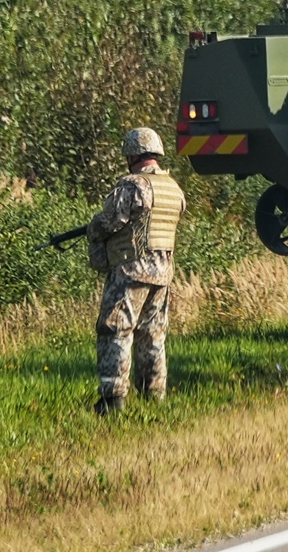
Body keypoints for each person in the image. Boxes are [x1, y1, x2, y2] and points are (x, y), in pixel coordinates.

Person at [86, 127, 186, 415]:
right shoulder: (173, 188)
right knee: (152, 334)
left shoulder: (132, 185)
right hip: (163, 272)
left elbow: (110, 221)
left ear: (132, 155)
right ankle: (154, 397)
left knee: (115, 330)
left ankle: (112, 400)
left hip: (131, 271)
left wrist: (93, 227)